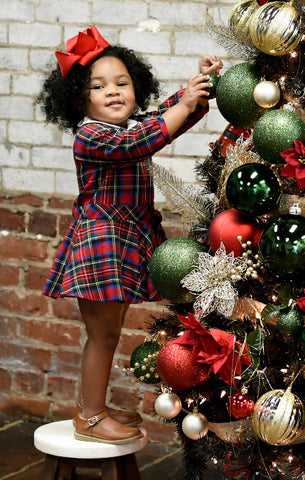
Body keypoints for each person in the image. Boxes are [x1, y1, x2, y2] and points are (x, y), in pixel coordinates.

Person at [38, 25, 223, 444]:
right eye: (99, 86)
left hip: (122, 239)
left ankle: (93, 407)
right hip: (100, 244)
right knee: (102, 334)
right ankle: (89, 418)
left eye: (122, 82)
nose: (114, 91)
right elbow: (142, 141)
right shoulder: (92, 135)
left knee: (109, 331)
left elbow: (165, 121)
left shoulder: (131, 126)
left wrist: (197, 89)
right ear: (80, 99)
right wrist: (183, 105)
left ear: (136, 87)